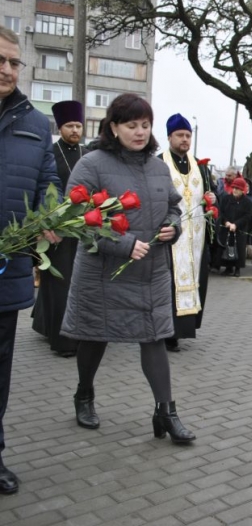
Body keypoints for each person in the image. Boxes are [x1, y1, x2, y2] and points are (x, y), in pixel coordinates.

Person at [60, 93, 195, 444]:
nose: (140, 132)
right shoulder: (91, 164)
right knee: (95, 334)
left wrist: (172, 226)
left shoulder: (157, 166)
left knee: (154, 337)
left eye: (145, 125)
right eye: (131, 125)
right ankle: (84, 394)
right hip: (103, 272)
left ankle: (166, 412)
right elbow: (75, 219)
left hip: (149, 270)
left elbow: (173, 208)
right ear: (114, 127)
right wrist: (120, 244)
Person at [0, 25, 62, 495]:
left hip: (9, 266)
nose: (6, 70)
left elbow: (46, 186)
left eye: (13, 63)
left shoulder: (37, 123)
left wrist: (49, 219)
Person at [31, 100, 87, 357]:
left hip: (86, 230)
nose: (75, 130)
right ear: (60, 127)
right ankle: (62, 340)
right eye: (69, 126)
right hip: (58, 230)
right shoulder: (50, 154)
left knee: (81, 283)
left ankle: (79, 331)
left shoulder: (88, 155)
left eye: (78, 125)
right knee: (59, 283)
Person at [158, 113, 215, 352]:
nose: (185, 140)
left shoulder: (199, 166)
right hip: (171, 235)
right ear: (170, 136)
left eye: (188, 135)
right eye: (180, 135)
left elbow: (209, 196)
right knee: (168, 284)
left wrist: (212, 198)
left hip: (196, 236)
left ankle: (185, 329)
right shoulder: (159, 163)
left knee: (194, 279)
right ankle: (168, 333)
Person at [217, 176, 252, 277]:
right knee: (227, 247)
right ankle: (228, 267)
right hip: (227, 227)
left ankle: (237, 268)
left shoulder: (247, 202)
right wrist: (226, 222)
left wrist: (236, 224)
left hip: (239, 229)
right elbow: (221, 212)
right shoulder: (226, 199)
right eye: (234, 188)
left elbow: (247, 216)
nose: (235, 190)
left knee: (238, 248)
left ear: (242, 190)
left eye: (238, 189)